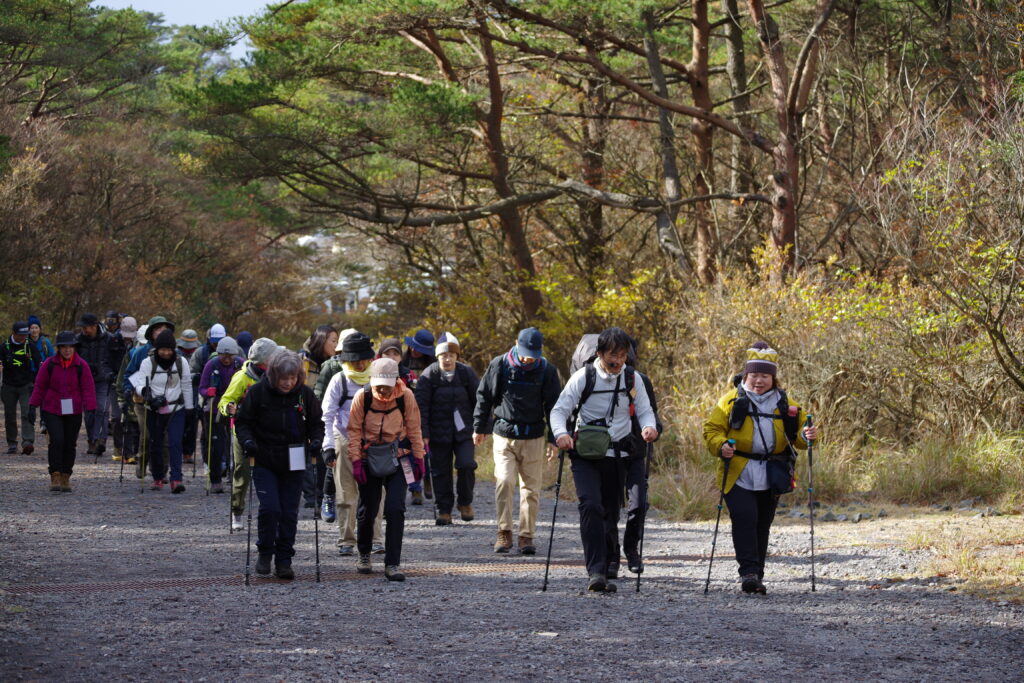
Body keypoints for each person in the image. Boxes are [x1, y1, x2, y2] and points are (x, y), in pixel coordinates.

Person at [702, 342, 818, 594]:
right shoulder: (730, 400)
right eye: (754, 375)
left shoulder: (787, 403)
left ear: (773, 378)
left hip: (772, 472)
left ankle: (757, 574)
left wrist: (808, 435)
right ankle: (748, 573)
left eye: (764, 376)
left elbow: (799, 437)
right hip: (738, 470)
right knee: (745, 518)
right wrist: (721, 445)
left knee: (762, 523)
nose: (758, 381)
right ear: (746, 375)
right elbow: (712, 430)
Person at [550, 327, 659, 592]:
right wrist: (561, 434)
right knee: (590, 506)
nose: (617, 361)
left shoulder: (633, 380)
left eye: (623, 355)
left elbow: (645, 411)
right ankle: (596, 571)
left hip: (618, 455)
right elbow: (559, 411)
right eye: (613, 355)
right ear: (599, 353)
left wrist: (649, 428)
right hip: (586, 455)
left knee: (610, 513)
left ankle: (611, 563)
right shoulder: (583, 377)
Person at [235, 349, 324, 580]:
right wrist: (247, 441)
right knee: (270, 508)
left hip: (293, 457)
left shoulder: (304, 394)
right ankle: (265, 552)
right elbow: (243, 422)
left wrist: (316, 441)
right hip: (264, 457)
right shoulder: (257, 393)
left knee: (288, 512)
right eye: (284, 378)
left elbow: (317, 422)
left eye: (293, 378)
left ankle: (284, 559)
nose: (288, 383)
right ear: (274, 375)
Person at [473, 327, 562, 554]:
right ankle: (504, 532)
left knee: (530, 490)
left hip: (533, 437)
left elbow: (554, 406)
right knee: (504, 481)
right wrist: (479, 427)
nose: (528, 357)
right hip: (504, 434)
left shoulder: (547, 370)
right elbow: (485, 396)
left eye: (533, 353)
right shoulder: (500, 365)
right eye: (525, 352)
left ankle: (526, 536)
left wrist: (554, 439)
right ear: (515, 343)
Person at [346, 358, 426, 581]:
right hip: (369, 457)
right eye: (378, 383)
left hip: (398, 458)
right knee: (367, 510)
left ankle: (392, 563)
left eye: (386, 384)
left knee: (395, 509)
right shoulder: (364, 396)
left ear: (396, 381)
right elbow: (353, 430)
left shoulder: (406, 396)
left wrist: (418, 458)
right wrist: (355, 461)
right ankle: (364, 553)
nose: (382, 389)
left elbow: (414, 428)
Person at [321, 332, 385, 555]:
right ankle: (347, 540)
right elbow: (327, 415)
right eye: (354, 359)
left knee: (376, 493)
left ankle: (376, 539)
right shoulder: (338, 380)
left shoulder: (378, 378)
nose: (358, 364)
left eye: (362, 359)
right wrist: (328, 446)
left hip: (375, 442)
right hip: (345, 438)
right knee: (346, 492)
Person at [414, 332, 479, 526]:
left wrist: (481, 427)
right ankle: (444, 510)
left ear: (457, 356)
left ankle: (465, 502)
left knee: (467, 465)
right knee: (440, 471)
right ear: (437, 356)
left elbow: (479, 402)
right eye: (443, 355)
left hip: (464, 432)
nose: (448, 359)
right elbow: (421, 407)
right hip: (437, 434)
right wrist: (423, 433)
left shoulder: (466, 373)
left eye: (451, 355)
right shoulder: (428, 375)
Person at [220, 337, 281, 531]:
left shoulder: (276, 375)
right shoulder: (242, 377)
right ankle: (236, 511)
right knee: (242, 474)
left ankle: (272, 511)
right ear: (264, 361)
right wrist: (230, 408)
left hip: (268, 432)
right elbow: (225, 400)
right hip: (243, 432)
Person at [29, 331, 97, 492]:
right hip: (52, 408)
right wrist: (33, 405)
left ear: (74, 348)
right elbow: (40, 386)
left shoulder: (82, 365)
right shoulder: (49, 364)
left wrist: (91, 409)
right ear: (58, 348)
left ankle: (66, 475)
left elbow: (88, 389)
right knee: (57, 441)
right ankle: (55, 474)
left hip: (73, 409)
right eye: (64, 347)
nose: (67, 350)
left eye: (70, 347)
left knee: (70, 443)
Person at [129, 329, 194, 493]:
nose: (165, 353)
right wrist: (146, 394)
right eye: (162, 349)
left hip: (175, 408)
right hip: (154, 408)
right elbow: (139, 383)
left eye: (169, 349)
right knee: (155, 443)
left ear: (174, 350)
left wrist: (190, 408)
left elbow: (186, 385)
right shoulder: (147, 363)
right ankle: (158, 477)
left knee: (174, 443)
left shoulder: (181, 363)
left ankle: (176, 479)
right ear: (157, 349)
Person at [300, 324, 339, 511]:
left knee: (324, 453)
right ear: (322, 340)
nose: (336, 344)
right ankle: (310, 495)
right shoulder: (303, 361)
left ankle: (323, 494)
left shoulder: (336, 362)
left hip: (327, 416)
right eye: (333, 341)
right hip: (304, 414)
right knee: (306, 455)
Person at [198, 336, 243, 493]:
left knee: (236, 443)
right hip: (214, 409)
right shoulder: (211, 365)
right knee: (216, 446)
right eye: (223, 355)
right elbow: (202, 387)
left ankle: (236, 476)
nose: (226, 359)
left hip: (235, 409)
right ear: (218, 354)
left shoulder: (240, 364)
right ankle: (215, 479)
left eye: (230, 355)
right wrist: (207, 391)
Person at [402, 329, 434, 504]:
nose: (416, 351)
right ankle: (414, 488)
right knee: (405, 454)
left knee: (425, 453)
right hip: (404, 414)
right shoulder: (403, 362)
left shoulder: (433, 365)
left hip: (426, 414)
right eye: (414, 347)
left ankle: (427, 478)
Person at [1, 321, 42, 454]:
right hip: (8, 385)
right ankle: (12, 443)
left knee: (27, 413)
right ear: (14, 333)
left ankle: (27, 442)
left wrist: (37, 382)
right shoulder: (4, 346)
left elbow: (40, 364)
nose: (24, 337)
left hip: (26, 385)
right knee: (10, 415)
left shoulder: (30, 345)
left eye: (26, 334)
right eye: (21, 335)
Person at [76, 313, 113, 457]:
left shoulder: (109, 338)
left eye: (86, 327)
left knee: (102, 409)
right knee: (89, 412)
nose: (84, 330)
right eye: (83, 327)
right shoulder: (78, 340)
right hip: (85, 380)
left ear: (94, 326)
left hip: (104, 379)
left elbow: (115, 357)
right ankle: (91, 440)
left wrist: (111, 372)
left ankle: (101, 440)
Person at [108, 316, 136, 462]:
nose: (127, 339)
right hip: (115, 383)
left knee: (131, 417)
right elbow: (106, 359)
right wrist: (109, 373)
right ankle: (118, 446)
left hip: (132, 384)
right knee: (117, 417)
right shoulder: (113, 340)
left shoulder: (138, 345)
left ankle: (130, 452)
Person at [178, 329, 204, 465]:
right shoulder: (176, 353)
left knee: (192, 424)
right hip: (177, 391)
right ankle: (176, 450)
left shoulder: (199, 353)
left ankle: (188, 452)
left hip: (194, 391)